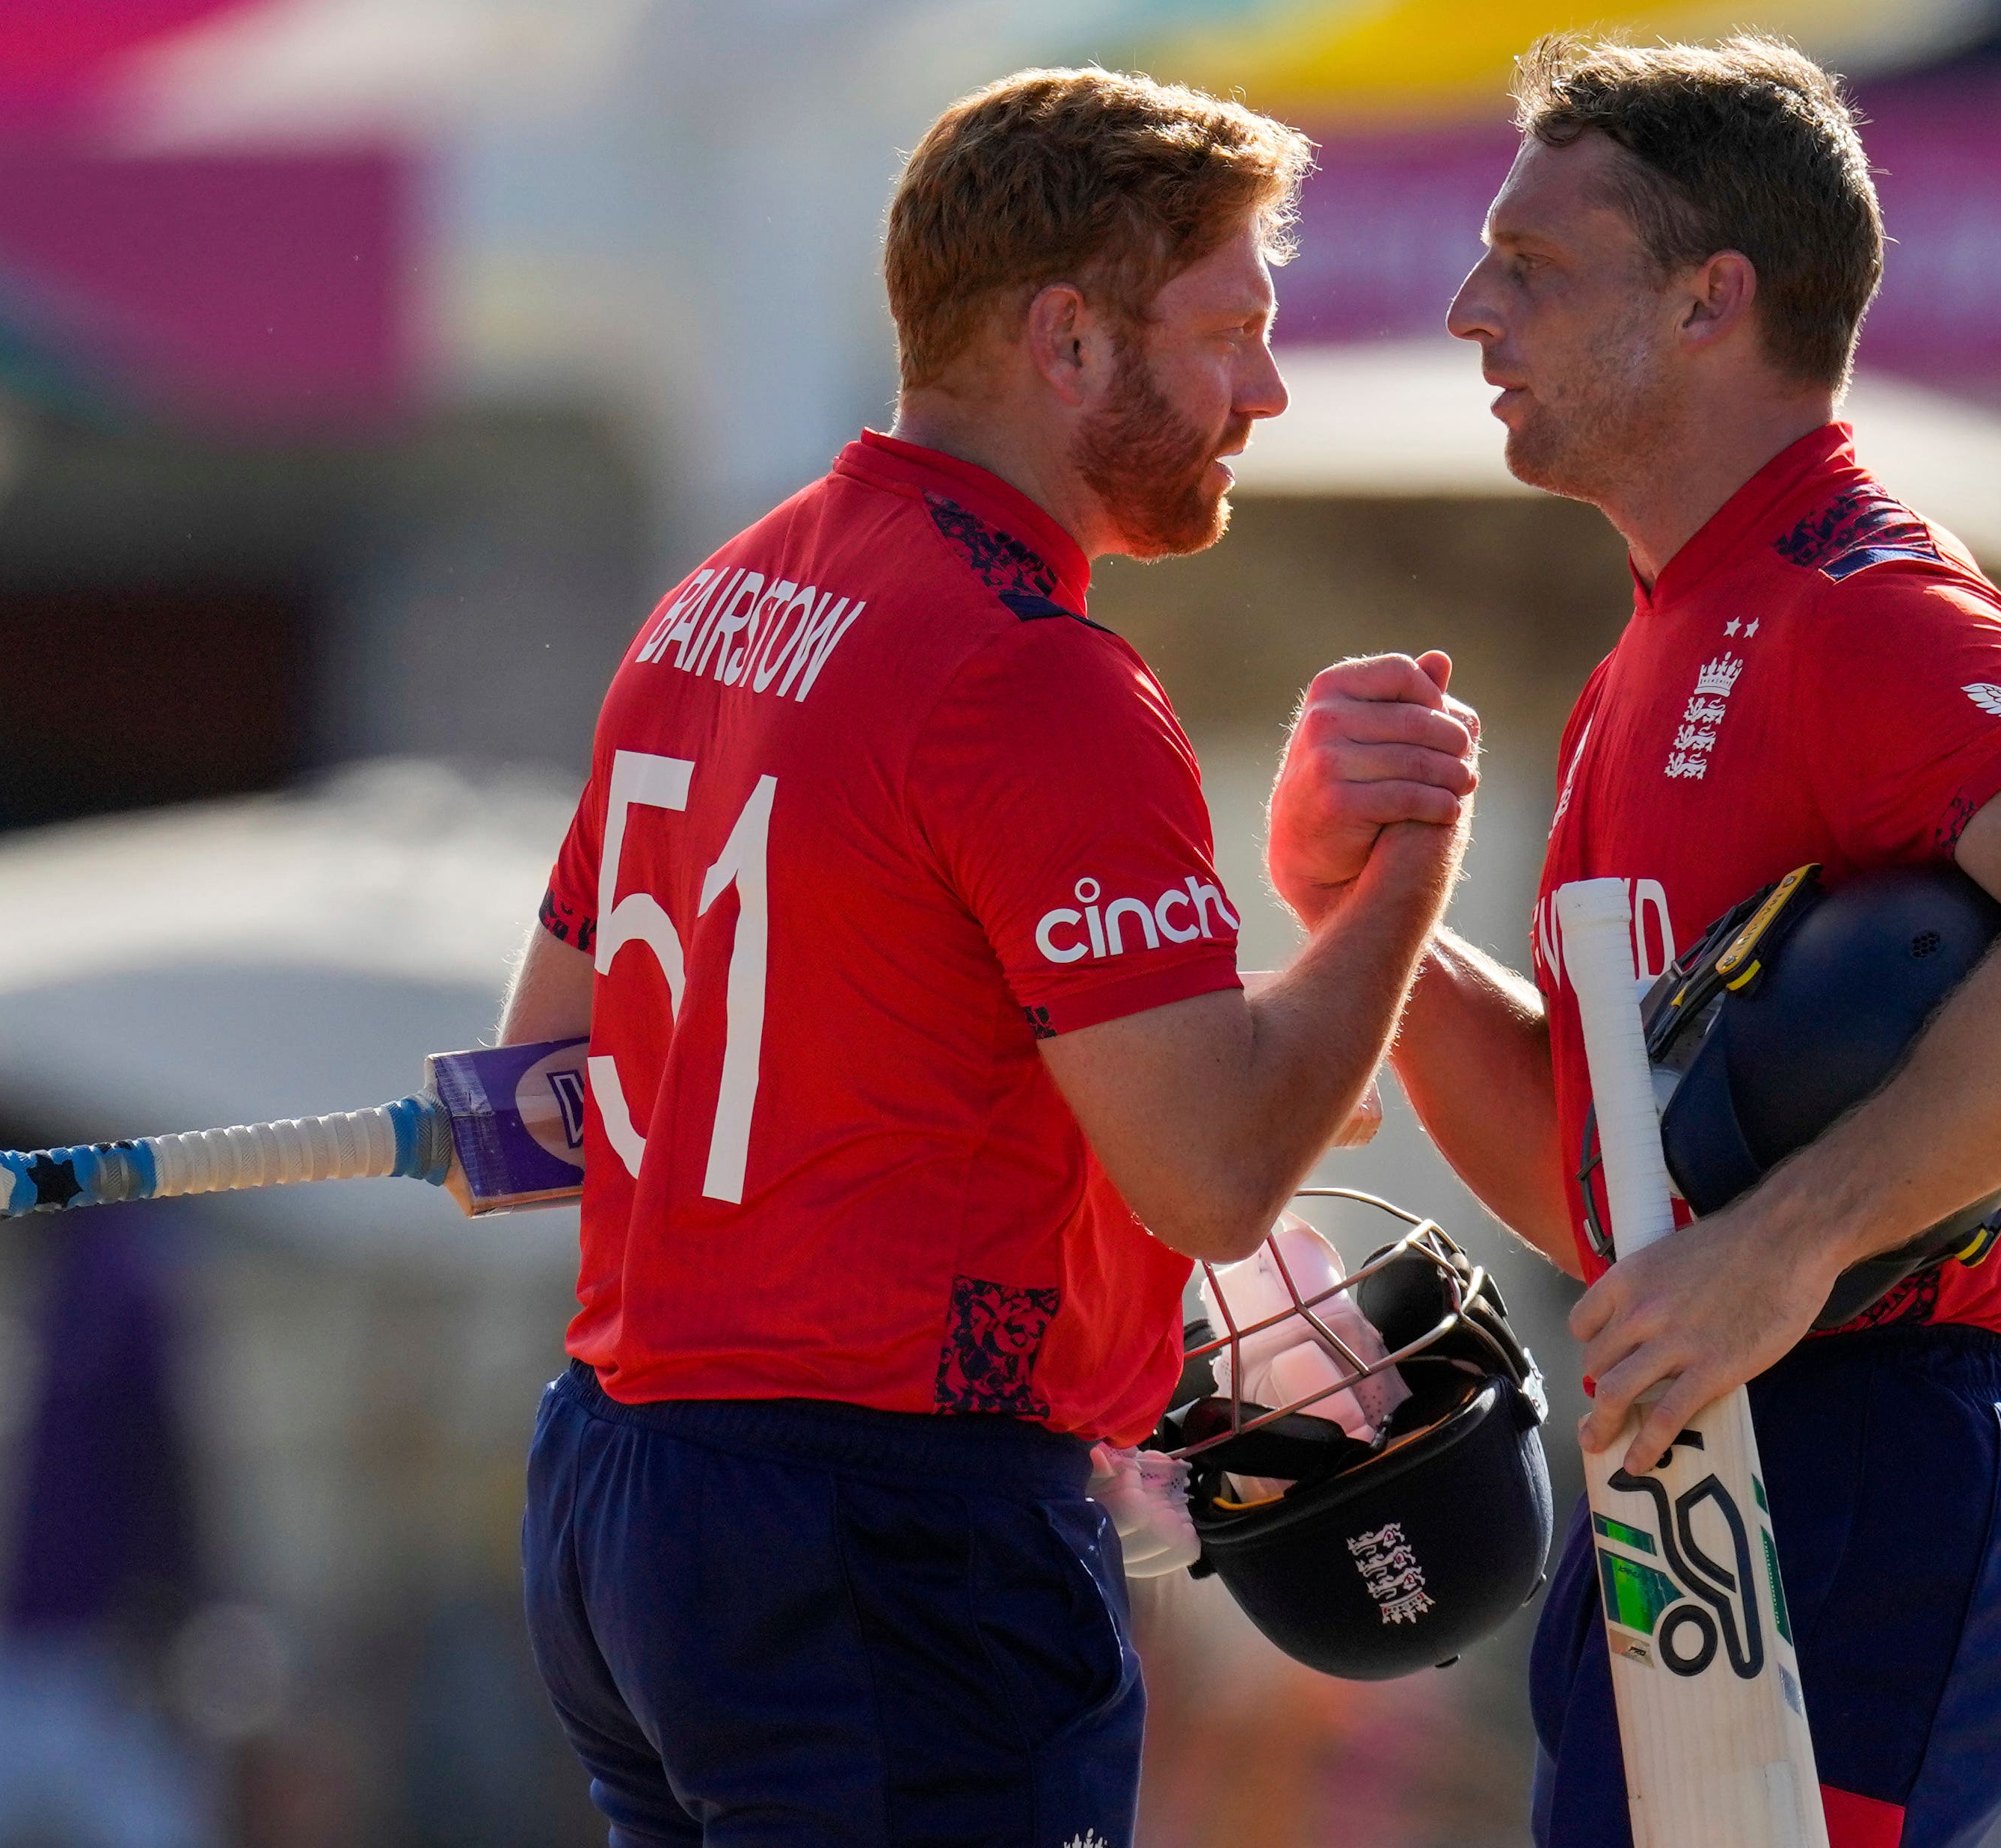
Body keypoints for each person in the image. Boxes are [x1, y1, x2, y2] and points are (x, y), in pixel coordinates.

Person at [1266, 34, 2001, 1848]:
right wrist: (1362, 916)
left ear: (1715, 298)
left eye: (1534, 267)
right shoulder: (1658, 642)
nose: (1473, 307)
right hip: (1712, 1434)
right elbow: (1607, 1204)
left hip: (1878, 1443)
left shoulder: (1850, 601)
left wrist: (1789, 1245)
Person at [494, 70, 1477, 1847]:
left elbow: (529, 1098)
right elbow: (1214, 1176)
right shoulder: (1031, 670)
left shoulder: (709, 604)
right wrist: (1405, 869)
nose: (1264, 388)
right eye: (1232, 332)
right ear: (1069, 340)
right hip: (885, 1519)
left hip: (623, 1494)